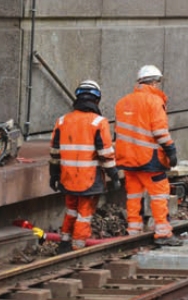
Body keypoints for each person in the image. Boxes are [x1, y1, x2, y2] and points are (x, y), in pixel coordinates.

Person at [114, 65, 183, 246]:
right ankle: (163, 233)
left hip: (127, 159)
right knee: (159, 194)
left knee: (133, 196)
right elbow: (160, 131)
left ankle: (133, 232)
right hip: (149, 159)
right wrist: (171, 150)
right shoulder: (154, 101)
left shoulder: (122, 102)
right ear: (154, 82)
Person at [50, 80, 120, 253]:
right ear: (97, 100)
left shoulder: (62, 121)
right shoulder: (98, 122)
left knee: (72, 210)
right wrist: (114, 175)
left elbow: (54, 152)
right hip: (89, 179)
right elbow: (105, 153)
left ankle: (65, 242)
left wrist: (54, 175)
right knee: (84, 214)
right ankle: (78, 248)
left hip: (67, 178)